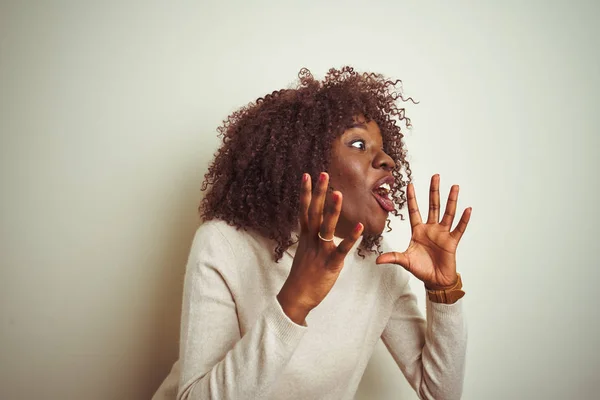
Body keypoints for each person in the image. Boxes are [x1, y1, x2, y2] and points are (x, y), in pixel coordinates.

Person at [152, 66, 472, 400]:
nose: (388, 161)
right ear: (305, 161)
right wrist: (294, 302)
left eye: (383, 148)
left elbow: (441, 393)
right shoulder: (223, 244)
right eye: (359, 144)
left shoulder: (379, 261)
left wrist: (443, 292)